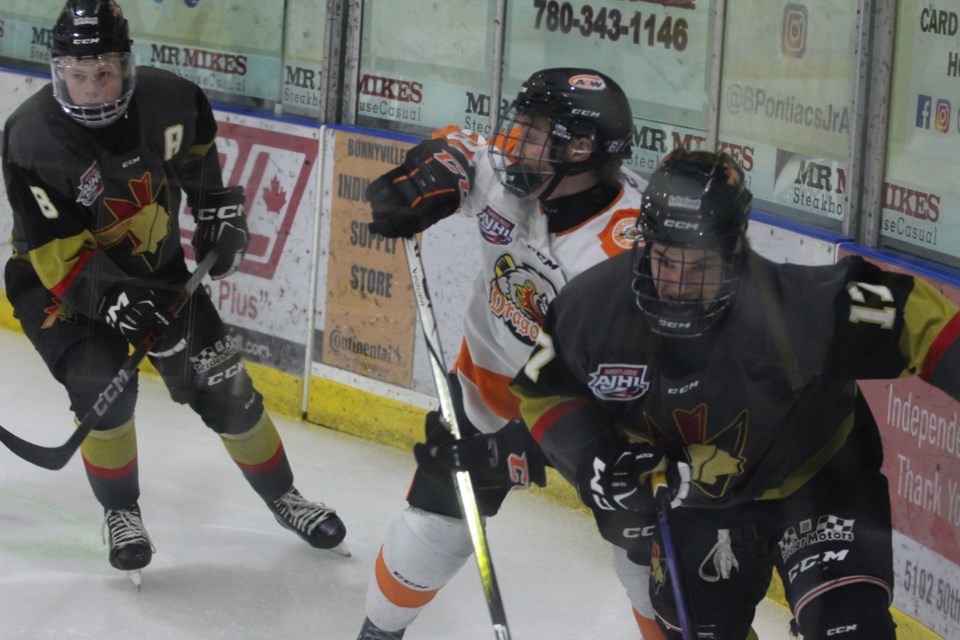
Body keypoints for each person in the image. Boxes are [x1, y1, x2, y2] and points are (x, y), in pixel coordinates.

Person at [508, 148, 960, 638]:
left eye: (699, 268)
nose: (678, 286)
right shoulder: (591, 308)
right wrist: (599, 459)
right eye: (664, 261)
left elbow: (918, 319)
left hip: (819, 483)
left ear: (734, 251)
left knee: (849, 630)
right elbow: (546, 393)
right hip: (695, 505)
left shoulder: (793, 308)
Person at [2, 0, 346, 584]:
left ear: (127, 66)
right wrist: (112, 302)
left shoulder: (171, 98)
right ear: (58, 69)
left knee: (227, 391)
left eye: (104, 72)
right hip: (57, 282)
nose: (90, 88)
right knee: (101, 388)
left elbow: (198, 153)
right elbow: (55, 251)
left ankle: (286, 497)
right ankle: (122, 514)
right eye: (77, 74)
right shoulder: (31, 136)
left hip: (155, 272)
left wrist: (217, 207)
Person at [358, 69, 666, 639]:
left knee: (648, 565)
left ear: (579, 150)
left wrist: (510, 453)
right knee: (433, 527)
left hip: (598, 424)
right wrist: (429, 175)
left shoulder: (624, 253)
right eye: (519, 123)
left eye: (532, 129)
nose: (513, 140)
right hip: (487, 387)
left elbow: (623, 394)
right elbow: (456, 146)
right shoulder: (517, 175)